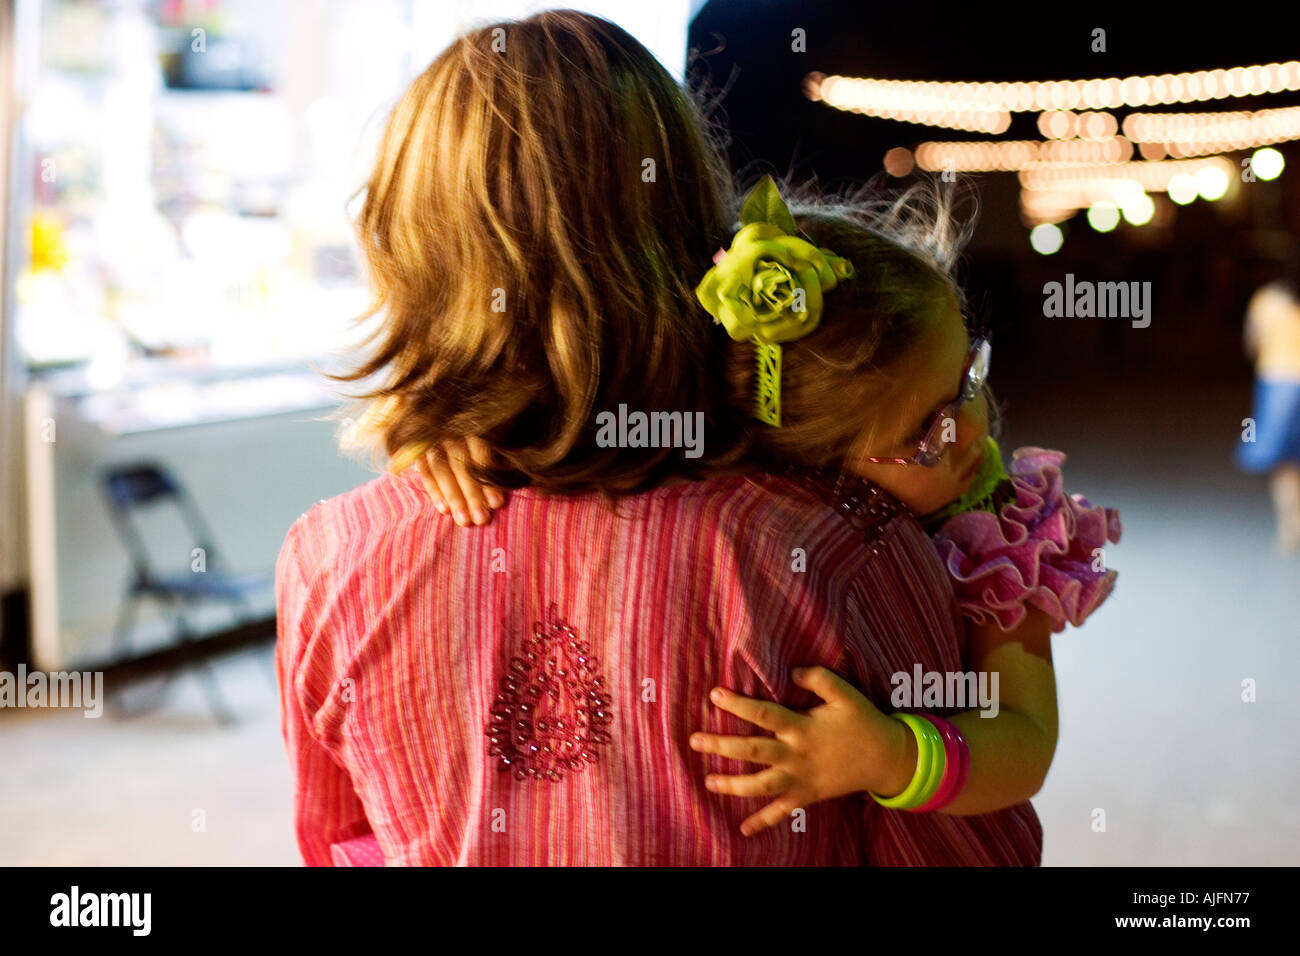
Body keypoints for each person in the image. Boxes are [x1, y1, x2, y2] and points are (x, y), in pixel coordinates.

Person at [276, 10, 1041, 866]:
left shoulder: (327, 562)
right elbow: (974, 846)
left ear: (408, 248)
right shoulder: (836, 547)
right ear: (691, 226)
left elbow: (345, 846)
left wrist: (440, 434)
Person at [1237, 248, 1300, 553]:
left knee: (1285, 463)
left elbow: (1252, 343)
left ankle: (1290, 529)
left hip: (1279, 384)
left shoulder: (1268, 299)